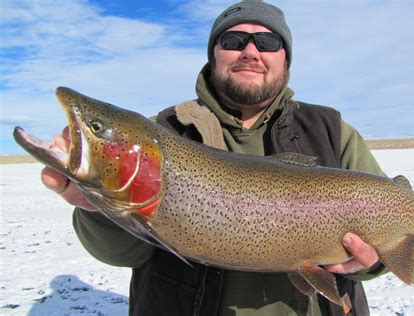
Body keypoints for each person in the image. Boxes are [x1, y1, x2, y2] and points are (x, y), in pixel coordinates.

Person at [41, 1, 387, 315]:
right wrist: (98, 205)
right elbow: (123, 254)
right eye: (234, 41)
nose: (250, 51)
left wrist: (373, 261)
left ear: (285, 58)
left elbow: (393, 232)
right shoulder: (165, 131)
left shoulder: (331, 131)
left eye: (266, 43)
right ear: (214, 54)